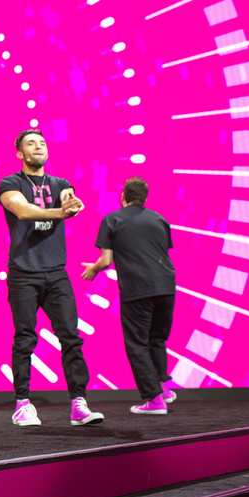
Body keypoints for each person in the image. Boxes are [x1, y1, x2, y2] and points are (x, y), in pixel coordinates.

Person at [0, 129, 104, 427]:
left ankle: (79, 404)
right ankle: (23, 404)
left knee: (70, 337)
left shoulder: (60, 184)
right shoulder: (10, 183)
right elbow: (23, 210)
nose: (38, 147)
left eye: (42, 143)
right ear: (20, 153)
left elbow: (71, 199)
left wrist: (73, 204)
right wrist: (61, 212)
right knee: (25, 339)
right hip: (23, 273)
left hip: (57, 273)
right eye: (31, 144)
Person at [81, 177, 177, 415]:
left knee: (137, 344)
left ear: (123, 196)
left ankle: (154, 400)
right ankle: (163, 388)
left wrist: (93, 269)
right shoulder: (159, 219)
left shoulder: (112, 219)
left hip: (137, 290)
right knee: (157, 339)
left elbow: (106, 260)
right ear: (145, 197)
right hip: (166, 286)